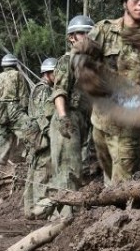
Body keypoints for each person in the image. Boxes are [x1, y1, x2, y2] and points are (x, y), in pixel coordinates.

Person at [86, 0, 140, 185]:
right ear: (125, 2)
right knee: (110, 177)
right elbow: (79, 59)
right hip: (100, 121)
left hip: (130, 125)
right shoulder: (104, 30)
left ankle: (127, 215)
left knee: (125, 184)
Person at [49, 15, 94, 217]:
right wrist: (63, 117)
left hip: (84, 120)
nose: (84, 37)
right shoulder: (67, 60)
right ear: (71, 38)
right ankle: (65, 216)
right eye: (80, 33)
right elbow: (59, 91)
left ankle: (70, 213)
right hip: (68, 117)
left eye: (88, 33)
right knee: (68, 168)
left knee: (77, 168)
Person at [0, 54, 39, 166]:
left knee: (3, 136)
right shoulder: (18, 75)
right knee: (31, 129)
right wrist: (23, 110)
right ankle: (33, 157)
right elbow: (24, 96)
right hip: (14, 108)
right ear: (14, 64)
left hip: (1, 111)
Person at [24, 57, 56, 220]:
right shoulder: (44, 90)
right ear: (48, 73)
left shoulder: (42, 88)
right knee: (43, 171)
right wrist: (51, 134)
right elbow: (42, 115)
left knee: (36, 170)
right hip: (42, 138)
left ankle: (31, 209)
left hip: (38, 137)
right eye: (55, 73)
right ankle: (39, 209)